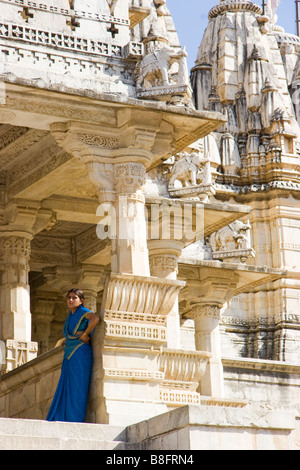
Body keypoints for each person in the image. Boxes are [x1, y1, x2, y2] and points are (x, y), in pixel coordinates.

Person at [46, 288, 99, 423]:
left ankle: (74, 419)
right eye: (69, 297)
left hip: (80, 351)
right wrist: (67, 339)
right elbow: (71, 332)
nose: (70, 300)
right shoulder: (71, 314)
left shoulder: (83, 312)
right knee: (66, 385)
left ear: (81, 301)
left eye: (74, 298)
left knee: (77, 386)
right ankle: (63, 417)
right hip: (70, 351)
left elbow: (95, 319)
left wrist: (86, 334)